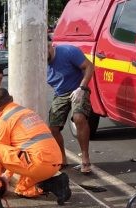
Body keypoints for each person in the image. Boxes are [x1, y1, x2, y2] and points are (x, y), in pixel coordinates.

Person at [0, 88, 71, 208]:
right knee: (22, 189)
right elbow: (12, 153)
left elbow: (0, 157)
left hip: (38, 163)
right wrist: (7, 176)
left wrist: (1, 178)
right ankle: (56, 184)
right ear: (11, 99)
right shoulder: (28, 112)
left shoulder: (4, 121)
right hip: (55, 161)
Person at [47, 37, 95, 173]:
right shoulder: (38, 62)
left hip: (78, 88)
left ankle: (85, 157)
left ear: (49, 46)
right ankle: (62, 158)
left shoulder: (68, 51)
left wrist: (82, 87)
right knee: (52, 128)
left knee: (79, 117)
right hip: (60, 93)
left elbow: (89, 66)